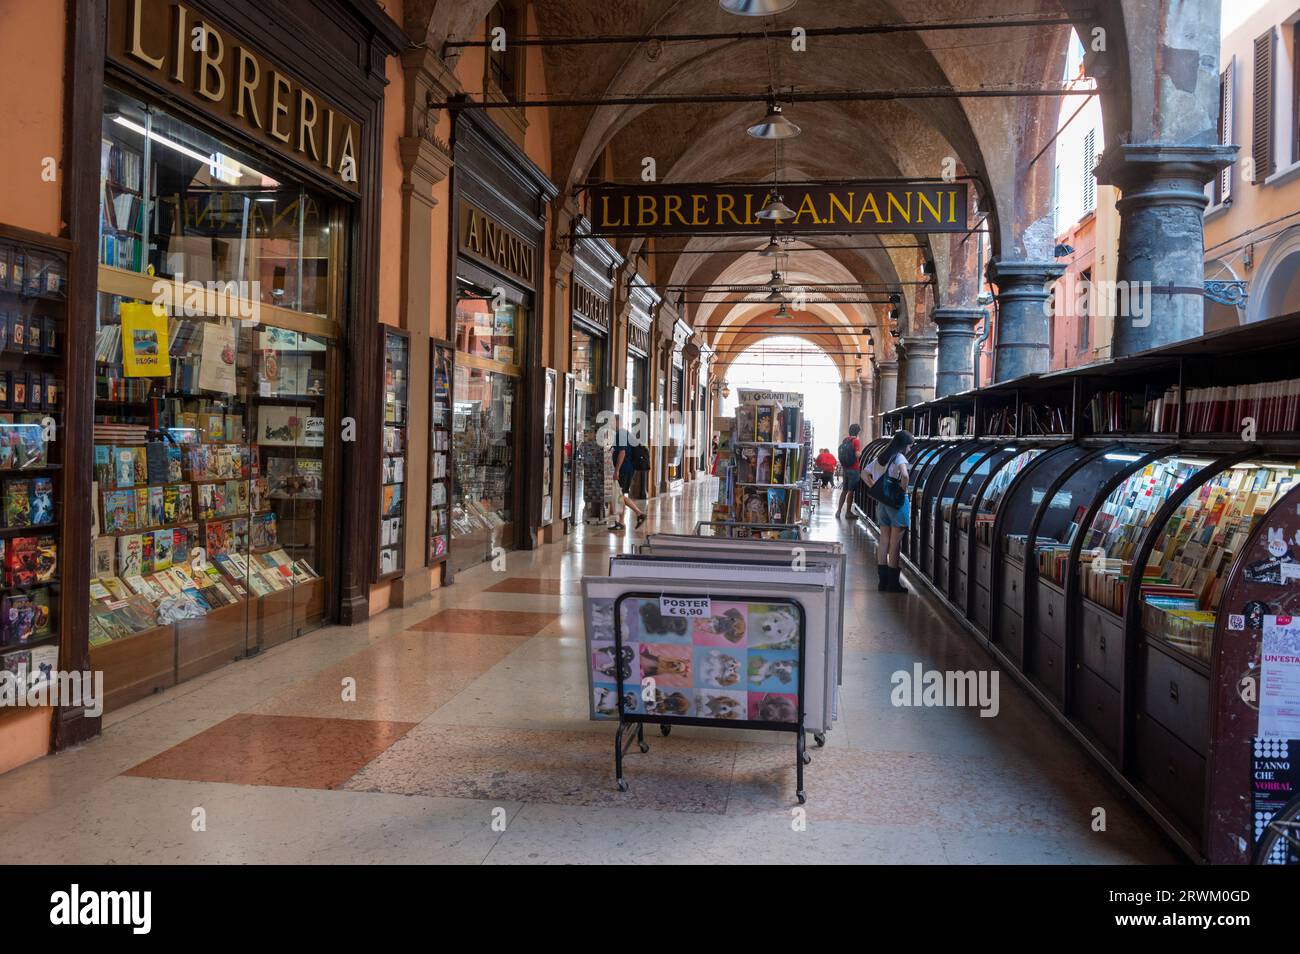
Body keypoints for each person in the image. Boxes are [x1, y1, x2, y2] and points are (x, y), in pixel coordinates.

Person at [863, 430, 915, 593]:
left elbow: (864, 474)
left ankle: (882, 582)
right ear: (903, 445)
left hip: (882, 504)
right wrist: (901, 492)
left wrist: (877, 489)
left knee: (884, 540)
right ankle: (893, 584)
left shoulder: (880, 457)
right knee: (895, 543)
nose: (910, 449)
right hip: (897, 505)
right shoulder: (899, 458)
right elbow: (905, 476)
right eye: (909, 446)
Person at [610, 414, 646, 532]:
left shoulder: (620, 434)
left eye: (611, 422)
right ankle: (621, 522)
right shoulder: (625, 433)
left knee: (620, 495)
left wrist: (617, 470)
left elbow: (622, 453)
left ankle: (639, 513)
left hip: (624, 469)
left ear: (617, 422)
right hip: (628, 468)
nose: (610, 425)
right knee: (620, 495)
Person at [834, 423, 863, 518]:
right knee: (851, 491)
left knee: (844, 490)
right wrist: (862, 455)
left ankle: (838, 511)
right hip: (854, 469)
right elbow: (857, 455)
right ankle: (848, 512)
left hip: (845, 468)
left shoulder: (845, 440)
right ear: (858, 432)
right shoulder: (856, 441)